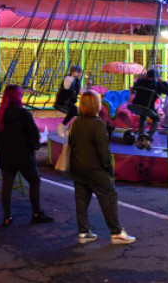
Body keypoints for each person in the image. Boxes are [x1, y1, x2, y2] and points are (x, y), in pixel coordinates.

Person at [68, 90, 135, 245]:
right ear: (96, 105)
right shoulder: (97, 124)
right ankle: (116, 232)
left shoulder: (76, 122)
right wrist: (109, 169)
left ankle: (83, 232)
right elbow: (103, 152)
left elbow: (72, 143)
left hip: (78, 169)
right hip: (96, 171)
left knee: (81, 201)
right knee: (109, 197)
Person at [0, 85, 53, 227]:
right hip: (25, 157)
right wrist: (33, 148)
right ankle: (36, 213)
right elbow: (34, 135)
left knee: (7, 187)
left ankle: (7, 217)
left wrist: (2, 150)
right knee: (34, 182)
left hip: (6, 157)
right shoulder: (24, 114)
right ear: (18, 97)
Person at [130, 69, 168, 150]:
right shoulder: (157, 84)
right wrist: (162, 81)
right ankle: (148, 136)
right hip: (149, 108)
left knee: (143, 116)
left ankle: (141, 136)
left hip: (136, 106)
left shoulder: (140, 81)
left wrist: (141, 78)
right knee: (157, 119)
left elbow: (133, 89)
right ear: (157, 77)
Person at [55, 65, 82, 137]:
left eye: (80, 73)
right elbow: (67, 87)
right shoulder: (68, 78)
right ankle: (61, 126)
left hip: (70, 102)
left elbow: (81, 93)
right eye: (78, 72)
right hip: (63, 101)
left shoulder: (78, 81)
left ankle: (70, 129)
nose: (79, 74)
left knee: (78, 114)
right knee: (74, 110)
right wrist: (75, 79)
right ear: (72, 72)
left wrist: (87, 86)